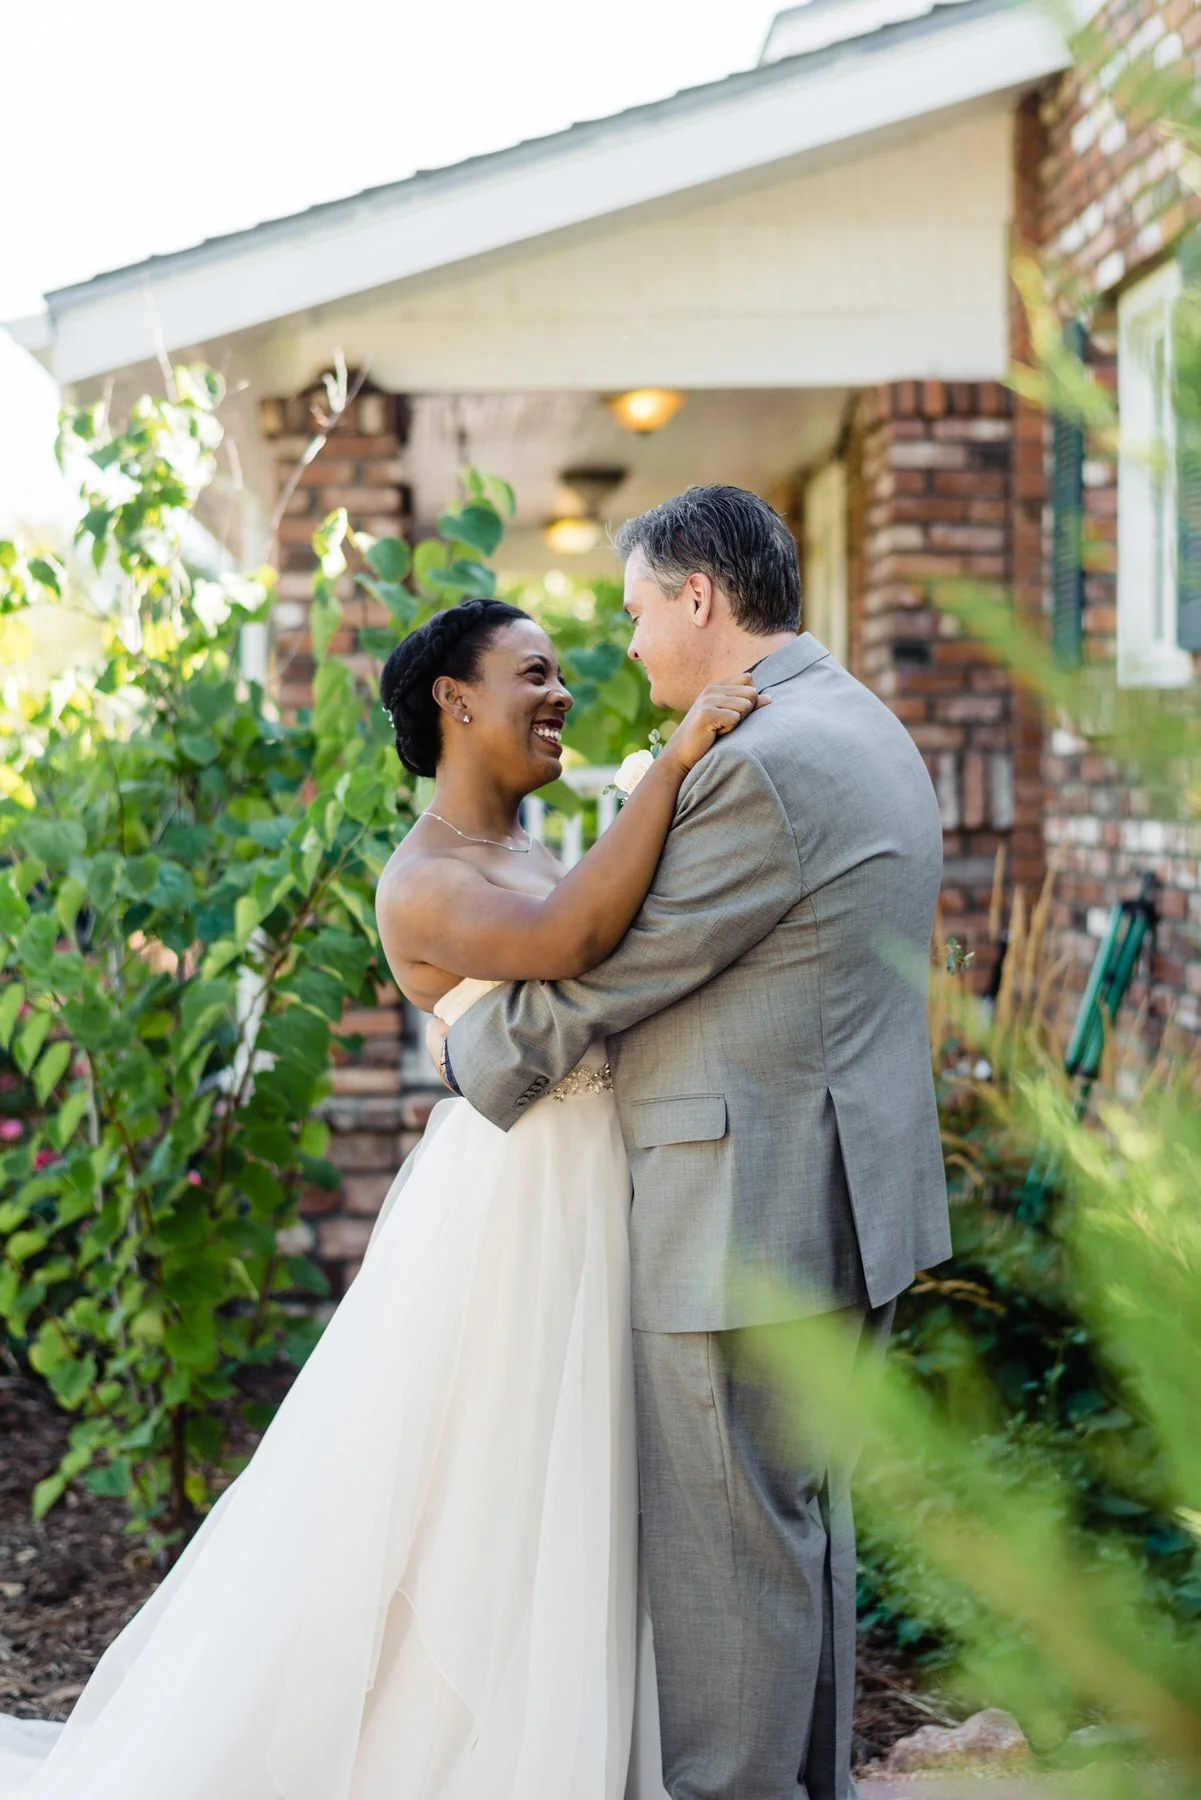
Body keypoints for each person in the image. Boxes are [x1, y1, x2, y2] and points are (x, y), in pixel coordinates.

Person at [0, 595, 759, 1800]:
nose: (560, 694)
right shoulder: (421, 879)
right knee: (487, 1481)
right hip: (513, 1211)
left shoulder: (524, 839)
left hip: (584, 1188)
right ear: (456, 700)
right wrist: (672, 762)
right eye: (535, 673)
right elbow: (573, 935)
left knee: (561, 1477)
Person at [433, 487, 952, 1800]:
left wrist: (468, 1051)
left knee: (734, 1569)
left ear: (699, 598)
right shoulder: (861, 721)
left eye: (637, 612)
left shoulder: (765, 757)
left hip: (744, 1214)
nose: (632, 645)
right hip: (831, 1199)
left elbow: (626, 967)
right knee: (792, 1543)